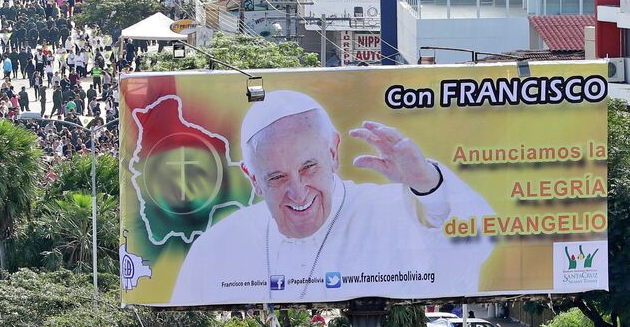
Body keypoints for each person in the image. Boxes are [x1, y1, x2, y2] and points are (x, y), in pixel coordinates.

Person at [171, 90, 494, 304]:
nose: (298, 192)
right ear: (253, 178)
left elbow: (477, 241)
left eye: (309, 167)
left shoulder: (392, 208)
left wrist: (426, 182)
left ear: (333, 152)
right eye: (277, 177)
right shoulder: (217, 246)